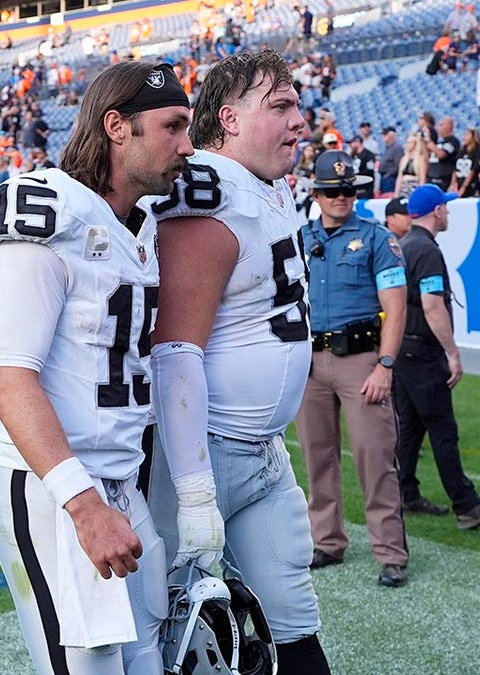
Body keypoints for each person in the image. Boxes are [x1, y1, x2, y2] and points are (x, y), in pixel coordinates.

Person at [0, 61, 194, 675]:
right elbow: (9, 379)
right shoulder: (48, 209)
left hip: (122, 484)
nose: (186, 145)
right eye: (174, 126)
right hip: (57, 493)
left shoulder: (143, 222)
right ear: (117, 127)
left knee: (147, 662)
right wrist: (84, 505)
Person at [148, 48, 333, 674]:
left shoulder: (270, 184)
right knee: (165, 636)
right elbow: (175, 352)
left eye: (298, 106)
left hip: (263, 451)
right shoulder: (210, 189)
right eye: (280, 107)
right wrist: (194, 490)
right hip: (204, 453)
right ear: (227, 118)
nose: (299, 121)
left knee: (293, 622)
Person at [295, 150, 409, 588]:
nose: (341, 197)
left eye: (348, 190)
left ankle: (390, 552)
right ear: (317, 194)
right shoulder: (301, 238)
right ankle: (327, 541)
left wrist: (385, 364)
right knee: (316, 457)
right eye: (332, 191)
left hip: (362, 360)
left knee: (374, 458)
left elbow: (395, 310)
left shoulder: (378, 239)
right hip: (310, 362)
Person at [393, 184, 480, 529]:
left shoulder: (405, 246)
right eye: (445, 207)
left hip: (403, 348)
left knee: (411, 428)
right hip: (422, 350)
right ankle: (467, 504)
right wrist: (453, 352)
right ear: (436, 211)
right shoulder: (427, 251)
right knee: (443, 429)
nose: (448, 212)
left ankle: (405, 492)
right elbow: (433, 306)